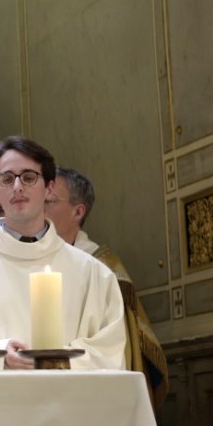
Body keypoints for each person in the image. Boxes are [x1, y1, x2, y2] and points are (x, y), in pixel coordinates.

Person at [0, 137, 126, 371]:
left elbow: (109, 357)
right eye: (7, 179)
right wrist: (1, 355)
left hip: (65, 405)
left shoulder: (93, 274)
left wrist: (47, 362)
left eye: (29, 178)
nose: (18, 187)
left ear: (49, 188)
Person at [46, 167, 168, 409]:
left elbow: (121, 349)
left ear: (77, 211)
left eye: (49, 201)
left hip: (91, 396)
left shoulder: (103, 268)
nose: (40, 208)